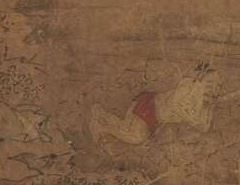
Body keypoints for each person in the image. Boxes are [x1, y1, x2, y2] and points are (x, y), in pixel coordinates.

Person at [90, 62, 222, 146]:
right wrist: (192, 118)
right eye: (209, 84)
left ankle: (101, 115)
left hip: (154, 118)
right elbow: (178, 107)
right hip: (148, 105)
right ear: (199, 80)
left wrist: (209, 108)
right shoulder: (187, 87)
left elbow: (204, 127)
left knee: (131, 131)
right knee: (135, 137)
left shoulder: (202, 103)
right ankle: (101, 124)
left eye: (216, 86)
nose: (212, 89)